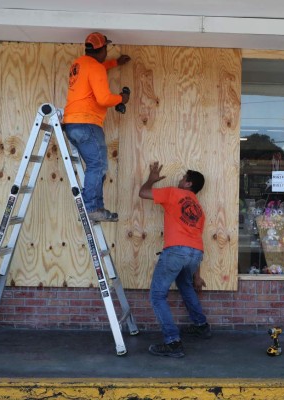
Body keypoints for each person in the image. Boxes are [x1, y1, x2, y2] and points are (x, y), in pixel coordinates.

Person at [139, 161, 211, 358]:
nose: (179, 180)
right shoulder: (198, 208)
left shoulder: (173, 193)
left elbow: (143, 193)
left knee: (157, 295)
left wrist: (150, 180)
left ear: (188, 184)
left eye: (183, 178)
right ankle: (201, 325)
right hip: (196, 254)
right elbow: (196, 242)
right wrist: (197, 275)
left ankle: (173, 342)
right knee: (186, 285)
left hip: (176, 251)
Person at [63, 32, 131, 222]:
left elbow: (96, 69)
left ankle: (90, 205)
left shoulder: (78, 64)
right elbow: (103, 99)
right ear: (102, 49)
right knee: (97, 165)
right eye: (106, 49)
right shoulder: (95, 68)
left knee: (94, 166)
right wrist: (121, 98)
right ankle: (92, 207)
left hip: (72, 124)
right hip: (88, 124)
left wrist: (115, 63)